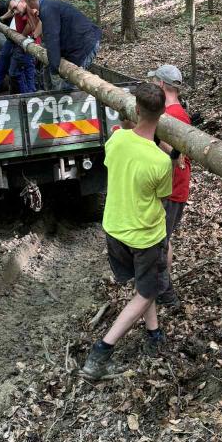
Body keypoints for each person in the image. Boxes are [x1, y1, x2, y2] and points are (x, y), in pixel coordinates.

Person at [81, 82, 175, 381]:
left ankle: (154, 333)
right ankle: (101, 352)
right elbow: (163, 197)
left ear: (136, 110)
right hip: (145, 236)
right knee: (148, 291)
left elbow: (122, 140)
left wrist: (127, 124)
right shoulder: (161, 161)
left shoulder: (117, 140)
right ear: (162, 114)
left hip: (115, 229)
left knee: (144, 283)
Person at [147, 64, 191, 311]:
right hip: (169, 187)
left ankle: (166, 294)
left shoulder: (174, 115)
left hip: (172, 189)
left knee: (159, 242)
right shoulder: (170, 112)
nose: (153, 86)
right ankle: (162, 288)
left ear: (162, 84)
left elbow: (178, 155)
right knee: (163, 239)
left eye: (155, 82)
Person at [21, 0, 101, 90]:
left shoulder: (47, 9)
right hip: (79, 44)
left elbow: (52, 38)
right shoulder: (48, 6)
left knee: (69, 85)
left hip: (85, 44)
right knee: (66, 85)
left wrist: (54, 69)